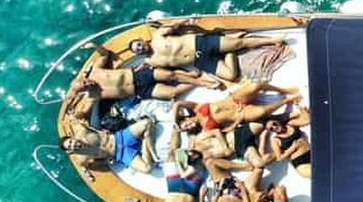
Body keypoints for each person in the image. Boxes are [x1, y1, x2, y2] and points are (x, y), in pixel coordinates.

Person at [98, 139, 207, 202]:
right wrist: (201, 197)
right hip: (190, 189)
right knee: (198, 162)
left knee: (171, 154)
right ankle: (195, 140)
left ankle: (176, 128)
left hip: (174, 187)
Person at [127, 18, 285, 82]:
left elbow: (174, 26)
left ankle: (272, 41)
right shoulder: (151, 61)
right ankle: (228, 51)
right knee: (231, 76)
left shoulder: (157, 36)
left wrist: (186, 20)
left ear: (142, 40)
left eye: (139, 45)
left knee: (239, 43)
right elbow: (169, 71)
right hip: (200, 61)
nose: (140, 48)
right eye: (137, 50)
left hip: (200, 44)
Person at [69, 42, 222, 102]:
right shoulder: (92, 97)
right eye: (85, 87)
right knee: (172, 93)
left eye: (85, 82)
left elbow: (105, 54)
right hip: (139, 90)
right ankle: (196, 78)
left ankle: (204, 82)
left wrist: (93, 45)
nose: (88, 84)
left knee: (171, 75)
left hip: (138, 74)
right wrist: (71, 96)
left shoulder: (96, 71)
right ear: (83, 91)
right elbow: (76, 107)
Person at [172, 80, 301, 133]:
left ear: (186, 119)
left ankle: (284, 91)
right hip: (240, 113)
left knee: (256, 85)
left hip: (234, 100)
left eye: (185, 124)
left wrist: (175, 122)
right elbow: (225, 131)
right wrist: (237, 121)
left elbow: (178, 103)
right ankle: (288, 100)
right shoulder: (206, 128)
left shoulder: (196, 108)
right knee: (261, 112)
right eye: (187, 129)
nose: (189, 126)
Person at [60, 116, 158, 175]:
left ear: (72, 138)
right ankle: (146, 141)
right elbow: (94, 166)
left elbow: (79, 119)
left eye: (71, 142)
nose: (73, 145)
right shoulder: (82, 159)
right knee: (147, 169)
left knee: (147, 123)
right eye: (70, 146)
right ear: (70, 151)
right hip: (121, 154)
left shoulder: (82, 131)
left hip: (120, 138)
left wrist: (72, 117)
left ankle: (151, 150)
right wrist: (106, 162)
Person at [188, 125, 275, 169]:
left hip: (237, 135)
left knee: (262, 125)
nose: (193, 158)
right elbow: (225, 164)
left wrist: (225, 147)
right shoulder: (206, 159)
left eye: (190, 157)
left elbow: (216, 131)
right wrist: (243, 166)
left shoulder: (199, 139)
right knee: (260, 164)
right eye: (191, 161)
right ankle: (278, 151)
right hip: (241, 148)